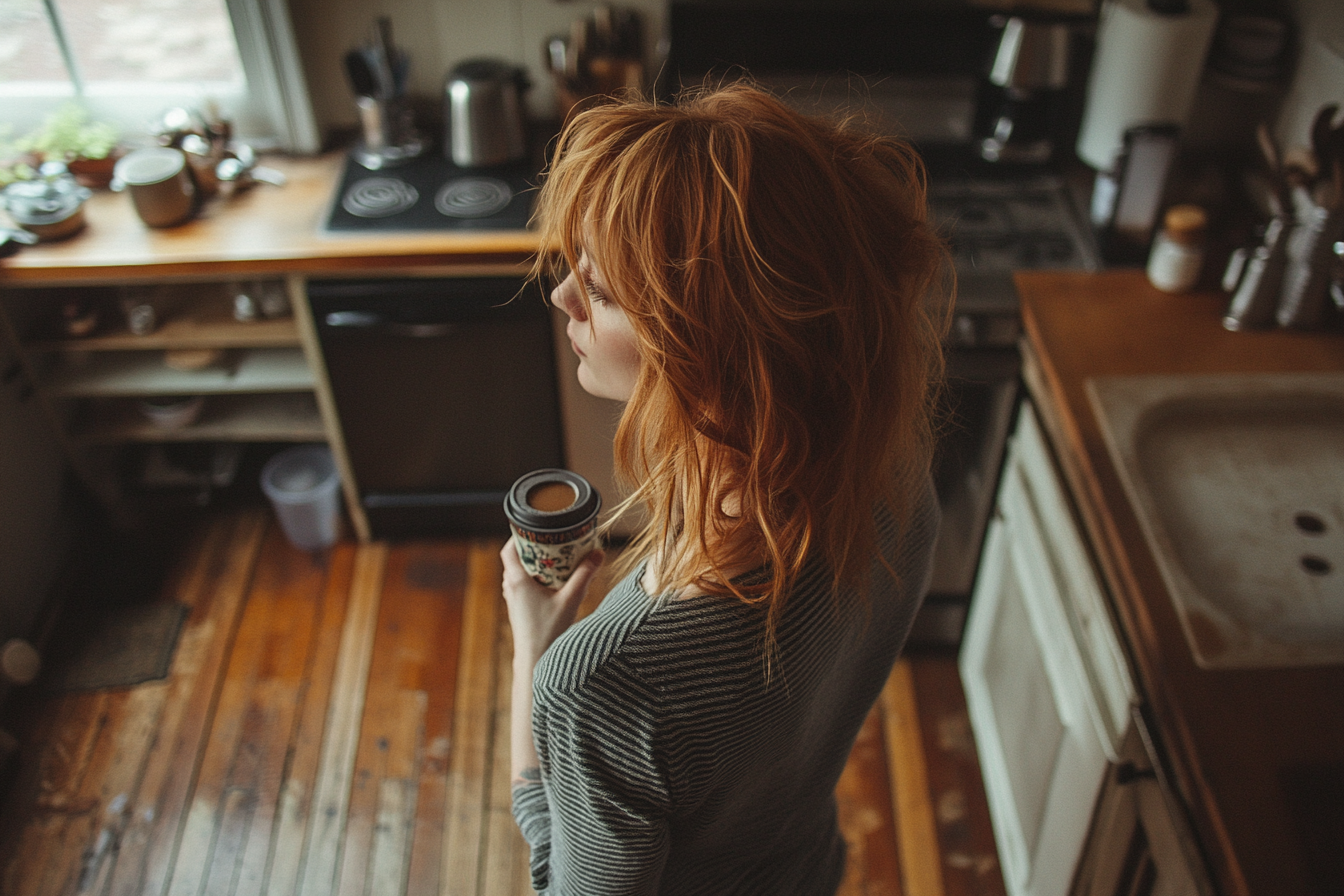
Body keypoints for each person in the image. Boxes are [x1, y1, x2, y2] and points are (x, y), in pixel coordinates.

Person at [500, 80, 950, 895]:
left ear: (711, 351)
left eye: (599, 290)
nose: (563, 294)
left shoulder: (603, 678)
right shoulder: (889, 461)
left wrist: (536, 657)